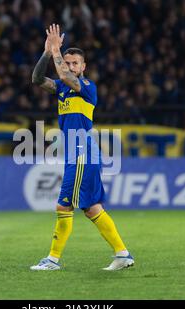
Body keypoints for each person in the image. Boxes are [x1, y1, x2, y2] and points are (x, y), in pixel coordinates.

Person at [30, 24, 134, 271]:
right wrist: (47, 52)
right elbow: (35, 79)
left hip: (81, 152)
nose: (70, 66)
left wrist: (57, 50)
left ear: (83, 67)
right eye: (67, 62)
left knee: (63, 205)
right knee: (91, 208)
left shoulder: (87, 87)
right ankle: (123, 254)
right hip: (79, 153)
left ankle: (53, 260)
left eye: (75, 63)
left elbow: (65, 75)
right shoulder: (61, 88)